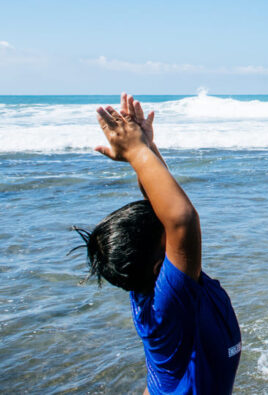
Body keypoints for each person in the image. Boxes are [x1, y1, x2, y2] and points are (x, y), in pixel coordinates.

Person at [75, 94, 242, 394]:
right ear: (158, 269)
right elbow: (182, 219)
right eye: (168, 233)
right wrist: (137, 154)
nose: (179, 237)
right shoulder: (168, 305)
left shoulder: (158, 283)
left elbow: (166, 207)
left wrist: (147, 147)